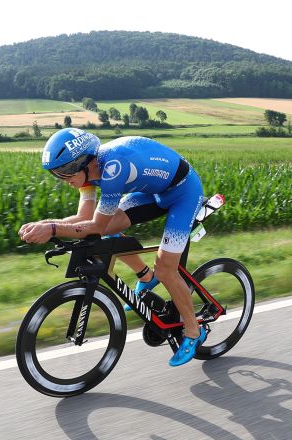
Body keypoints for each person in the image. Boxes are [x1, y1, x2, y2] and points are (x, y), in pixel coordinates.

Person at [18, 128, 206, 367]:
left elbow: (95, 224)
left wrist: (53, 229)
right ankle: (145, 276)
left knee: (167, 270)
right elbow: (84, 217)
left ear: (84, 162)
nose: (63, 179)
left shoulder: (113, 169)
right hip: (154, 193)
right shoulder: (87, 175)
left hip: (183, 193)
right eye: (57, 174)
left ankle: (193, 330)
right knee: (104, 233)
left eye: (65, 171)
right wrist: (45, 224)